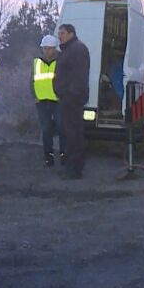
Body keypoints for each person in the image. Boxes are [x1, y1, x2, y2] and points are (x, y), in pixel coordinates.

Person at [54, 23, 90, 179]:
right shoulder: (68, 50)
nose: (59, 36)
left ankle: (75, 169)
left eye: (62, 33)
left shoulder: (77, 50)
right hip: (67, 98)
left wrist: (70, 95)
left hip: (72, 100)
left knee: (74, 134)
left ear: (71, 34)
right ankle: (72, 166)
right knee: (69, 133)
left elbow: (79, 77)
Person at [32, 34, 64, 167]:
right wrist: (35, 96)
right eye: (44, 48)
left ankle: (64, 155)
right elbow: (32, 80)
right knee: (46, 129)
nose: (47, 51)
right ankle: (48, 157)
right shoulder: (37, 62)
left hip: (57, 101)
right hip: (42, 101)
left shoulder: (61, 61)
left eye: (49, 48)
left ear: (54, 48)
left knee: (62, 127)